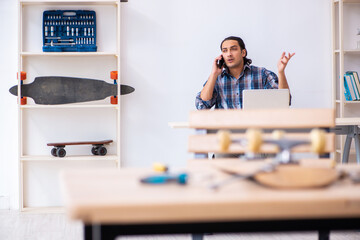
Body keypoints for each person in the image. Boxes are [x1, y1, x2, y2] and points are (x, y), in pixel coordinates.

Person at [195, 36, 295, 110]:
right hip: (226, 133)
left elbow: (284, 101)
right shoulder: (217, 79)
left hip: (255, 132)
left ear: (243, 53)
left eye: (233, 49)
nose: (229, 54)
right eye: (225, 51)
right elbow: (201, 105)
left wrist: (281, 72)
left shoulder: (262, 74)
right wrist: (213, 74)